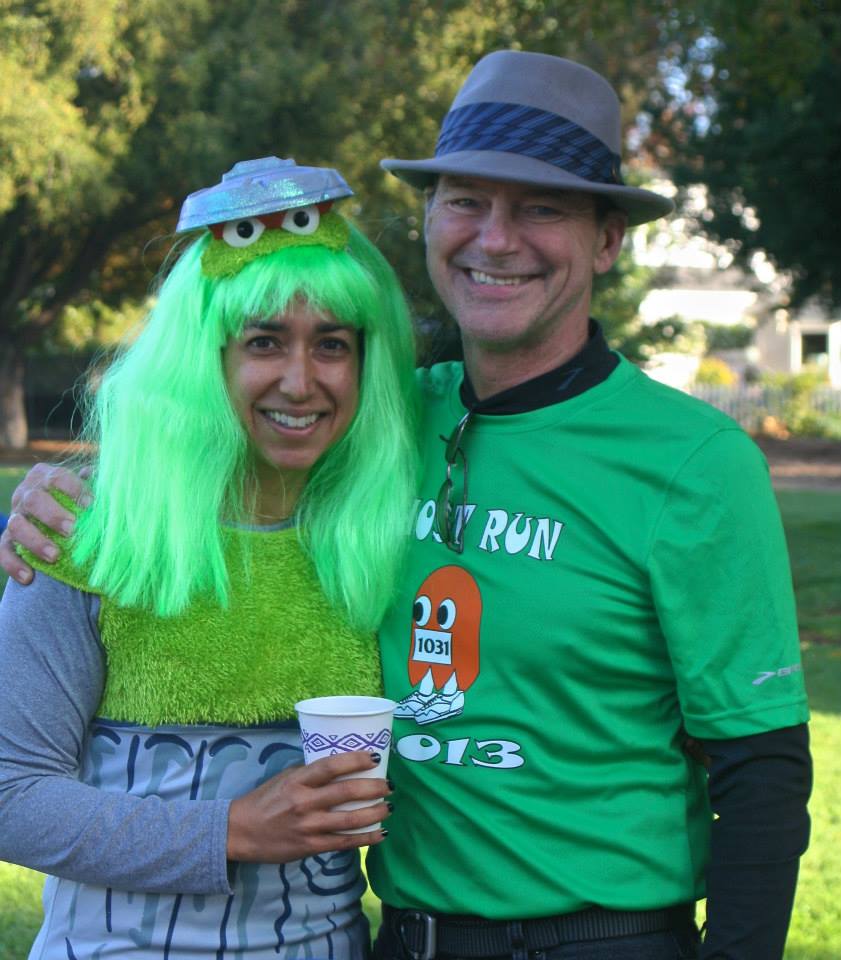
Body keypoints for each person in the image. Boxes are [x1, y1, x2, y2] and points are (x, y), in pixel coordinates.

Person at [1, 52, 811, 960]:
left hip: (602, 937)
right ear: (429, 218)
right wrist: (59, 502)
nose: (494, 239)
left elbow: (761, 768)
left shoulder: (693, 462)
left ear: (608, 240)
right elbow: (210, 454)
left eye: (540, 207)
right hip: (400, 941)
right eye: (464, 199)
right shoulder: (372, 423)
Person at [0, 156, 418, 958]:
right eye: (263, 341)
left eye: (332, 344)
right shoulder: (88, 536)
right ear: (203, 358)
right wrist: (230, 829)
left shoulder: (384, 540)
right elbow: (11, 793)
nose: (300, 381)